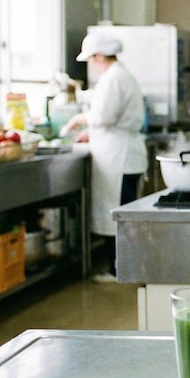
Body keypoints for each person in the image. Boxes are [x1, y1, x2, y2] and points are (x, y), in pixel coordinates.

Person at [62, 31, 147, 283]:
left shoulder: (114, 78)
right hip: (122, 152)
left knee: (118, 215)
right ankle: (125, 268)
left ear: (99, 56)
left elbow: (103, 117)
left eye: (90, 59)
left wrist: (79, 120)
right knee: (122, 213)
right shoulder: (119, 75)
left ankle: (120, 270)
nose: (90, 65)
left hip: (118, 157)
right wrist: (91, 131)